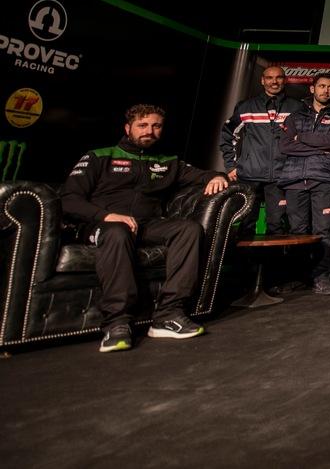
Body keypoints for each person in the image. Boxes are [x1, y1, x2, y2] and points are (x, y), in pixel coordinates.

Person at [62, 104, 229, 352]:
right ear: (127, 128)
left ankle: (168, 314)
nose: (149, 131)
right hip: (101, 225)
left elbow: (203, 175)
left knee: (189, 229)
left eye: (156, 126)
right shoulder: (99, 156)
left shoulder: (167, 162)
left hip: (147, 225)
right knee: (117, 231)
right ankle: (117, 323)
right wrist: (107, 216)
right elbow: (69, 200)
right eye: (142, 125)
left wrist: (217, 177)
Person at [277, 74, 330, 295]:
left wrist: (302, 138)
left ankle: (322, 278)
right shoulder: (295, 116)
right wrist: (319, 148)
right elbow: (286, 146)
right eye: (322, 86)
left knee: (323, 231)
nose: (326, 90)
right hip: (294, 179)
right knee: (297, 231)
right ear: (312, 88)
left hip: (324, 179)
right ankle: (297, 277)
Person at [219, 64, 304, 236]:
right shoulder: (246, 106)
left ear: (285, 80)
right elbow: (228, 135)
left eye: (279, 77)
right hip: (249, 175)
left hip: (281, 177)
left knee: (277, 226)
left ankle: (274, 255)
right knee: (245, 225)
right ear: (262, 80)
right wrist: (231, 166)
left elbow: (304, 140)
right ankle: (244, 254)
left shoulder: (296, 107)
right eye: (269, 78)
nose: (274, 82)